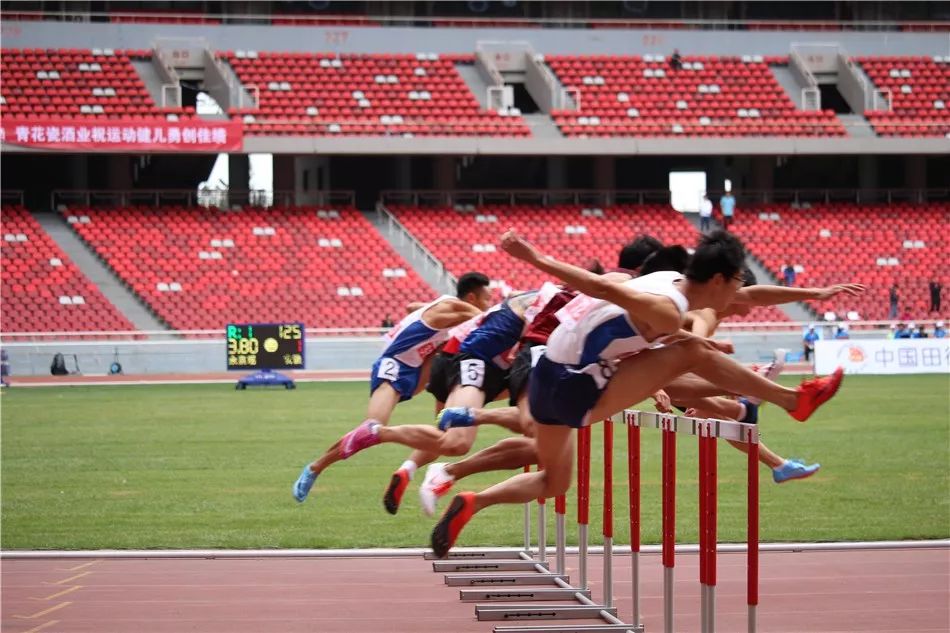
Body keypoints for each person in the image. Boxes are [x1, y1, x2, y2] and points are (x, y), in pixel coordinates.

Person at [430, 230, 844, 558]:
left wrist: (814, 294)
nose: (740, 292)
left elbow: (748, 297)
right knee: (689, 352)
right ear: (718, 280)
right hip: (575, 382)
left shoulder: (668, 281)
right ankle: (790, 400)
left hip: (547, 375)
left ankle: (473, 501)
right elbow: (603, 288)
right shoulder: (668, 307)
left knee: (554, 482)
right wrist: (533, 257)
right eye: (735, 281)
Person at [292, 272, 493, 502]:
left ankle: (407, 469)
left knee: (443, 438)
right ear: (471, 298)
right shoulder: (456, 308)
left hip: (416, 368)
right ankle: (315, 468)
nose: (490, 303)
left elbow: (411, 307)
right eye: (487, 298)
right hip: (394, 365)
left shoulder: (447, 307)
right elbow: (490, 319)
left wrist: (421, 315)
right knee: (370, 429)